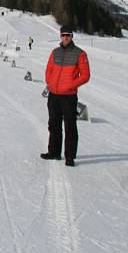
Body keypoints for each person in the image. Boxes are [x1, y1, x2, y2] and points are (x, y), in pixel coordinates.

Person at [41, 25, 90, 167]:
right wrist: (49, 83)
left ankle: (70, 157)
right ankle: (54, 152)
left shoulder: (80, 54)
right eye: (63, 35)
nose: (66, 37)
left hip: (68, 96)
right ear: (60, 36)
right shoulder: (54, 52)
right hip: (54, 95)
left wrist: (70, 85)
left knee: (70, 127)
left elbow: (86, 75)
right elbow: (48, 69)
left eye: (68, 35)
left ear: (72, 36)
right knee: (53, 124)